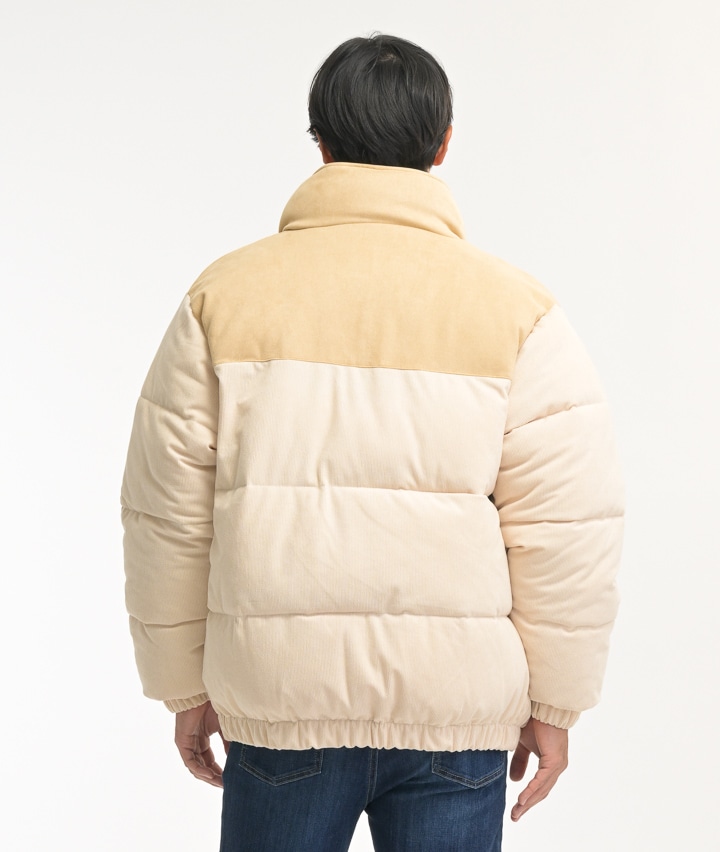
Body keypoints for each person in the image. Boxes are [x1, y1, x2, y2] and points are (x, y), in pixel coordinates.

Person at [121, 33, 623, 851]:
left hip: (282, 698)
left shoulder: (225, 296)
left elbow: (167, 515)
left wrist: (183, 685)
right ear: (443, 144)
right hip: (456, 707)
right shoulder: (518, 309)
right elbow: (566, 527)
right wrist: (556, 704)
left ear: (319, 141)